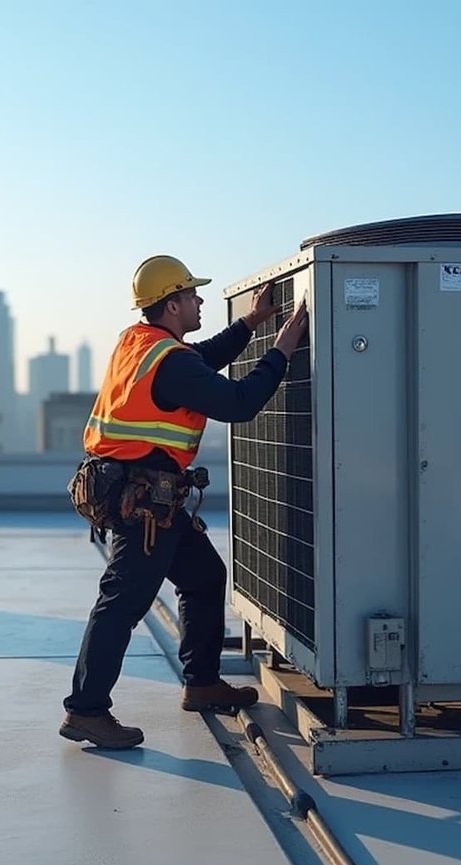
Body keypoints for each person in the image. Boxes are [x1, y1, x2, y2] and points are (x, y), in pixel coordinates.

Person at [60, 254, 309, 750]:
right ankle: (86, 711)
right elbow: (239, 403)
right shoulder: (169, 361)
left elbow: (199, 362)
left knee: (204, 577)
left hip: (142, 496)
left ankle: (201, 684)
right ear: (172, 304)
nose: (199, 302)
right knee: (120, 604)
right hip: (146, 504)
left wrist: (249, 324)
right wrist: (281, 347)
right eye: (192, 296)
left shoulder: (141, 344)